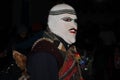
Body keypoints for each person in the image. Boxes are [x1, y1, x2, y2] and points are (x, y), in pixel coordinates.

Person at [27, 3, 84, 80]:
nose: (74, 25)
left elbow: (82, 66)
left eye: (75, 21)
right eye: (67, 20)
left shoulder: (70, 49)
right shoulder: (45, 53)